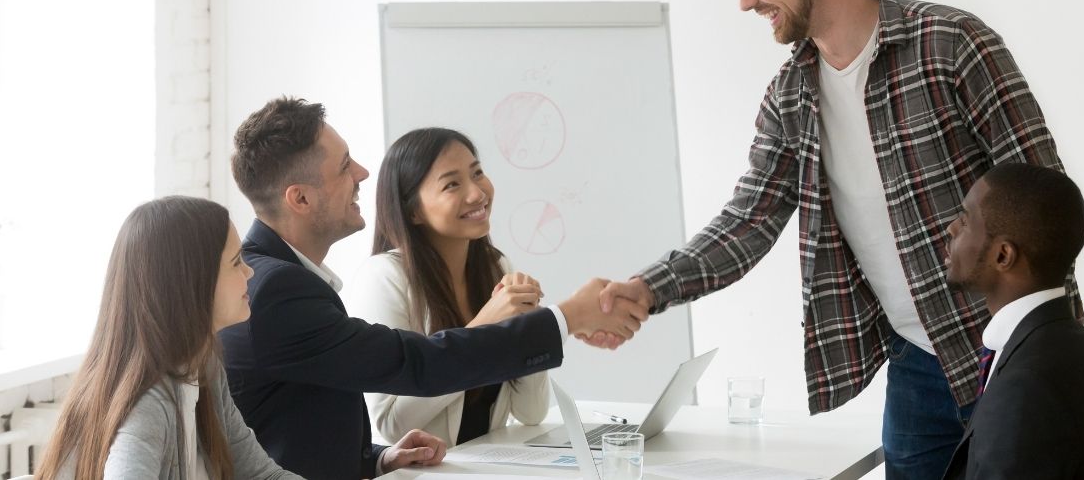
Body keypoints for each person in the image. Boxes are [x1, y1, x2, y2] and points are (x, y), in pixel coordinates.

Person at [584, 0, 1081, 478]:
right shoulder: (791, 95)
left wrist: (1042, 350)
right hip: (918, 364)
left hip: (1012, 356)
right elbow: (750, 219)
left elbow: (1046, 196)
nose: (744, 1)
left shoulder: (951, 44)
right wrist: (652, 287)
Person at [219, 97, 645, 480]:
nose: (364, 173)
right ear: (300, 199)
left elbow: (294, 425)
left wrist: (378, 459)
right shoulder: (278, 289)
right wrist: (566, 317)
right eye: (345, 165)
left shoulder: (284, 278)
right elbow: (414, 364)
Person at [37, 196, 301, 480]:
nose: (249, 272)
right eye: (236, 262)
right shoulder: (149, 402)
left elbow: (260, 474)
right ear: (193, 282)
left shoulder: (204, 367)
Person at [345, 128, 549, 446]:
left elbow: (531, 412)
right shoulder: (383, 278)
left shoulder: (496, 267)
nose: (477, 193)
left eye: (477, 173)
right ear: (413, 211)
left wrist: (529, 327)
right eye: (452, 184)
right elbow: (392, 426)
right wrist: (483, 328)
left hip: (486, 468)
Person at [941, 163, 1084, 479]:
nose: (950, 228)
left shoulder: (1026, 387)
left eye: (965, 220)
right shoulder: (1071, 340)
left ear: (1003, 256)